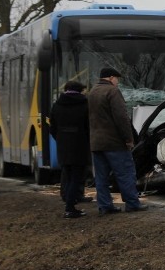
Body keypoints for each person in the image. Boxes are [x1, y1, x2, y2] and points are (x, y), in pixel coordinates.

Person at [88, 67, 147, 215]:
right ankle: (132, 203)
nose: (117, 82)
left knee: (101, 177)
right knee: (126, 173)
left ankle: (105, 206)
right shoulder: (112, 92)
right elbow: (121, 118)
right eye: (117, 79)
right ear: (111, 78)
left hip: (96, 143)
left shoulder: (92, 92)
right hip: (114, 143)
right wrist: (128, 139)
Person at [49, 80, 91, 219]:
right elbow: (88, 127)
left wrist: (61, 139)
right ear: (80, 91)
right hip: (80, 145)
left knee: (67, 176)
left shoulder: (57, 105)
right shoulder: (84, 105)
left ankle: (68, 203)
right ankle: (70, 208)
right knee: (76, 178)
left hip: (63, 146)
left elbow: (52, 128)